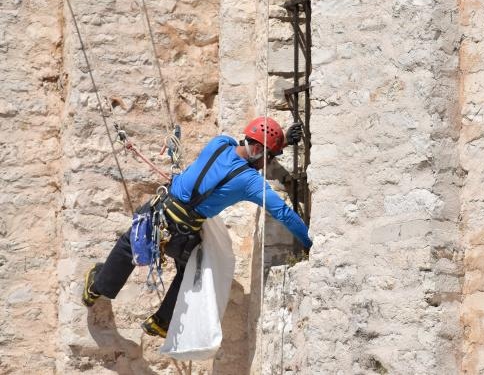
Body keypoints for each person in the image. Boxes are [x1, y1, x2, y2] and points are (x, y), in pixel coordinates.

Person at [81, 116, 311, 338]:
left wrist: (280, 143)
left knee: (128, 246)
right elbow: (283, 213)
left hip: (158, 215)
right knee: (190, 268)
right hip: (183, 236)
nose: (267, 163)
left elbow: (241, 151)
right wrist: (310, 242)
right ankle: (162, 321)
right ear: (259, 152)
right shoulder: (250, 182)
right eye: (268, 158)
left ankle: (96, 289)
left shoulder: (219, 143)